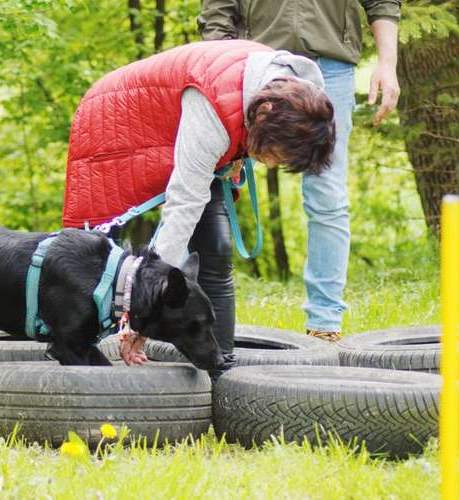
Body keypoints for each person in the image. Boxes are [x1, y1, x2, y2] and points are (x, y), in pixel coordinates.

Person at [62, 40, 335, 377]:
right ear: (263, 116)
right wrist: (142, 316)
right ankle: (70, 350)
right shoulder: (217, 109)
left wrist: (238, 152)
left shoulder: (297, 99)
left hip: (189, 119)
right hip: (118, 120)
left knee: (216, 249)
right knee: (96, 252)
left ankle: (219, 368)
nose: (272, 164)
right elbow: (184, 204)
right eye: (274, 154)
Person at [198, 0, 402, 342]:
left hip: (331, 66)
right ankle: (197, 313)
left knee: (327, 192)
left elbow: (383, 3)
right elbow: (217, 8)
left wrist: (387, 63)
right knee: (212, 184)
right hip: (254, 65)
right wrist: (220, 65)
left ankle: (325, 323)